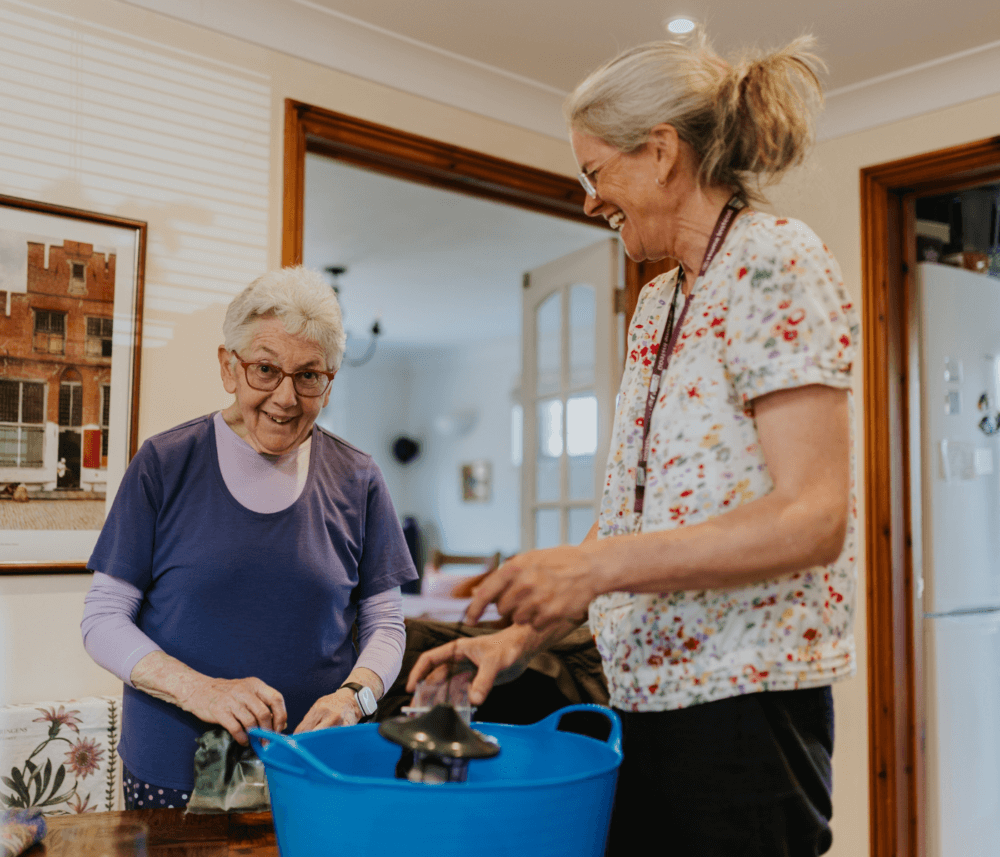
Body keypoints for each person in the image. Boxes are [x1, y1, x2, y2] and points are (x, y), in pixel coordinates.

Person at [409, 30, 859, 857]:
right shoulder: (657, 305)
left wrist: (591, 569)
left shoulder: (776, 261)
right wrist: (513, 643)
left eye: (595, 171)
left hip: (744, 708)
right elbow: (627, 521)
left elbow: (814, 515)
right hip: (641, 697)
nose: (588, 200)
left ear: (660, 153)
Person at [82, 266, 417, 808]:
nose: (286, 397)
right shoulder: (164, 463)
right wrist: (199, 689)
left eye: (309, 376)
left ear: (329, 382)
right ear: (228, 367)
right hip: (173, 770)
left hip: (310, 765)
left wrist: (354, 699)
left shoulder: (359, 479)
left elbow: (386, 623)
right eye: (266, 370)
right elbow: (102, 618)